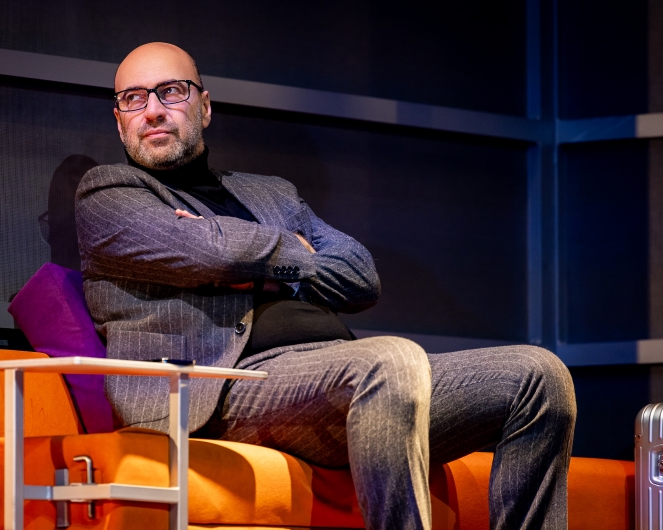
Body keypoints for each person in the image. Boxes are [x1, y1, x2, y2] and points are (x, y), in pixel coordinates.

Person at [75, 42, 576, 530]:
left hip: (341, 380)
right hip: (222, 390)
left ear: (204, 107)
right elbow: (212, 254)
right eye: (134, 98)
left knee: (538, 376)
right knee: (391, 359)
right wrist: (289, 252)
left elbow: (360, 276)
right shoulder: (108, 194)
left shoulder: (270, 193)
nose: (153, 110)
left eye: (171, 91)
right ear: (119, 120)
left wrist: (244, 252)